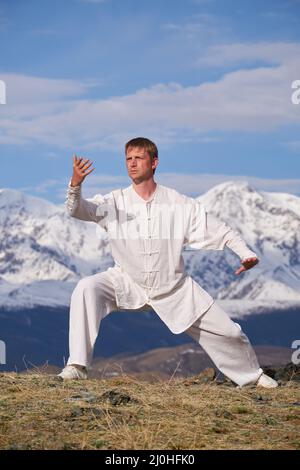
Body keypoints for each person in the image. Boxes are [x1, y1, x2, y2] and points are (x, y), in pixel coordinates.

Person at [58, 137, 278, 388]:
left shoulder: (180, 205)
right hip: (127, 281)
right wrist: (75, 184)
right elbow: (77, 210)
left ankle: (253, 376)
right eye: (128, 159)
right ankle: (77, 366)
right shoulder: (113, 202)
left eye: (138, 158)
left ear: (154, 162)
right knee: (87, 287)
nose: (132, 164)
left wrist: (245, 253)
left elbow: (222, 230)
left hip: (174, 287)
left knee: (229, 332)